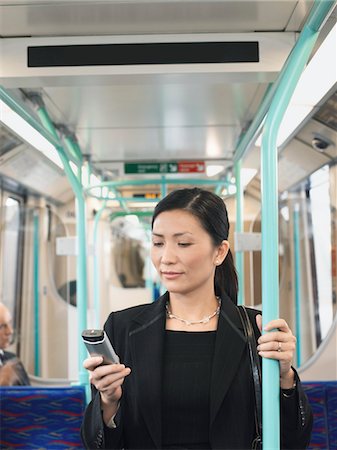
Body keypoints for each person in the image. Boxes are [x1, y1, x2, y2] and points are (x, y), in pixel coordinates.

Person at [81, 188, 313, 449]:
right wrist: (108, 402)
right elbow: (96, 444)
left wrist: (285, 377)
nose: (166, 258)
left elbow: (294, 440)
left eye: (183, 243)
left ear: (219, 252)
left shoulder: (257, 330)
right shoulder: (122, 328)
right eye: (158, 243)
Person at [0, 302, 30, 386]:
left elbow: (30, 397)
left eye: (10, 323)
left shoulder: (12, 360)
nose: (10, 331)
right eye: (2, 327)